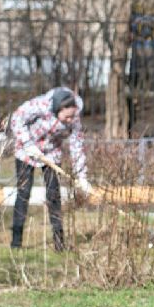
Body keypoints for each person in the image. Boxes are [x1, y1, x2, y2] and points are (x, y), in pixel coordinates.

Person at [8, 86, 91, 250]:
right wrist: (27, 143)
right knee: (23, 193)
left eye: (72, 116)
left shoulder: (74, 117)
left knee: (54, 196)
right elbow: (16, 118)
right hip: (27, 150)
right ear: (59, 108)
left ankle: (59, 243)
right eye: (67, 117)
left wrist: (82, 176)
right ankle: (16, 243)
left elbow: (76, 146)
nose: (70, 120)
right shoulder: (40, 105)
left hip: (51, 153)